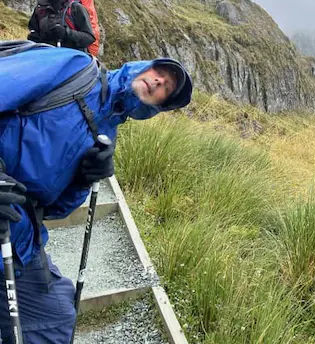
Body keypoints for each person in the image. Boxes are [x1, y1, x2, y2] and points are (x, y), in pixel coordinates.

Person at [0, 41, 193, 343]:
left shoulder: (106, 132)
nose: (158, 81)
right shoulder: (75, 68)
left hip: (17, 233)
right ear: (143, 65)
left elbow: (55, 208)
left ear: (156, 108)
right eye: (159, 72)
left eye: (166, 89)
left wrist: (83, 180)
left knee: (56, 315)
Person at [27, 0, 95, 52]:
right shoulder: (40, 8)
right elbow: (34, 31)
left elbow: (89, 38)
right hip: (46, 57)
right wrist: (34, 38)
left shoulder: (75, 8)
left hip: (71, 60)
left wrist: (66, 33)